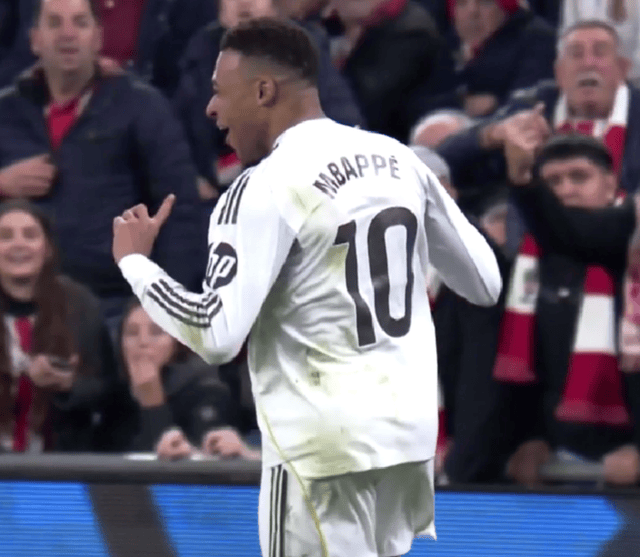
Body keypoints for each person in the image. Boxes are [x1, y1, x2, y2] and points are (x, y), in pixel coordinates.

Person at [113, 18, 501, 556]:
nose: (211, 109)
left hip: (321, 445)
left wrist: (137, 265)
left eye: (220, 91)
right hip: (404, 441)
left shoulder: (265, 184)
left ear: (263, 91)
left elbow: (215, 333)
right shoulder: (400, 160)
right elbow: (484, 282)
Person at [0, 0, 204, 331]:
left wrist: (164, 307)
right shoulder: (6, 111)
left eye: (80, 23)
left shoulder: (143, 108)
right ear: (34, 39)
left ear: (98, 37)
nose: (67, 34)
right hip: (15, 306)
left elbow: (179, 212)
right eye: (55, 23)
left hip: (115, 305)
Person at [494, 132, 640, 487]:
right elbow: (523, 370)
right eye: (554, 181)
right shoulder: (526, 265)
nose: (566, 190)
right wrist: (530, 439)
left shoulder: (628, 242)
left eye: (579, 177)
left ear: (611, 184)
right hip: (557, 463)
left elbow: (577, 234)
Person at [0, 199, 127, 452]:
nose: (18, 244)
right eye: (5, 236)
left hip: (62, 460)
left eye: (30, 235)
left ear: (47, 248)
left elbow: (110, 392)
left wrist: (68, 385)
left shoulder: (80, 306)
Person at [118, 298, 235, 452]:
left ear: (177, 342)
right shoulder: (111, 397)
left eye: (156, 332)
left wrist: (153, 403)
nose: (143, 342)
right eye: (132, 333)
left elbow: (204, 457)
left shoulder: (208, 392)